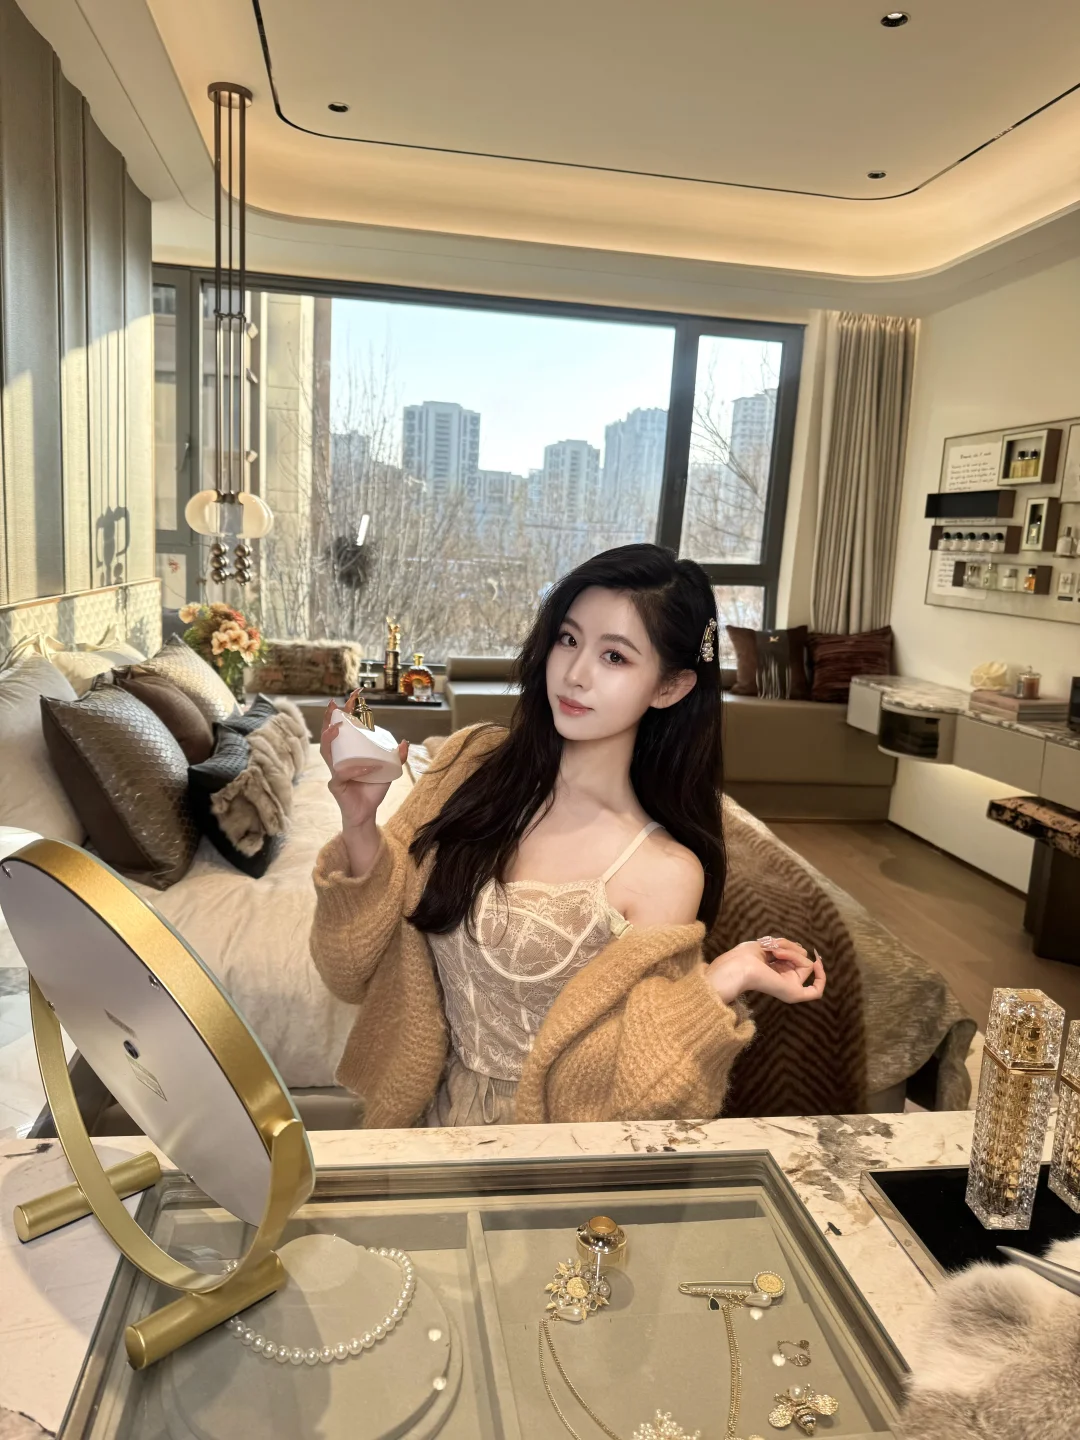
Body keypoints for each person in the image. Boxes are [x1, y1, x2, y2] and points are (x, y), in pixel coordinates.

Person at [310, 544, 825, 1128]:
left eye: (615, 656)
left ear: (671, 687)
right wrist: (359, 825)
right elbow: (348, 972)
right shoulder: (467, 764)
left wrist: (722, 978)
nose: (575, 675)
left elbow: (636, 1098)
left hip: (541, 1145)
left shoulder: (663, 871)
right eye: (568, 639)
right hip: (415, 1116)